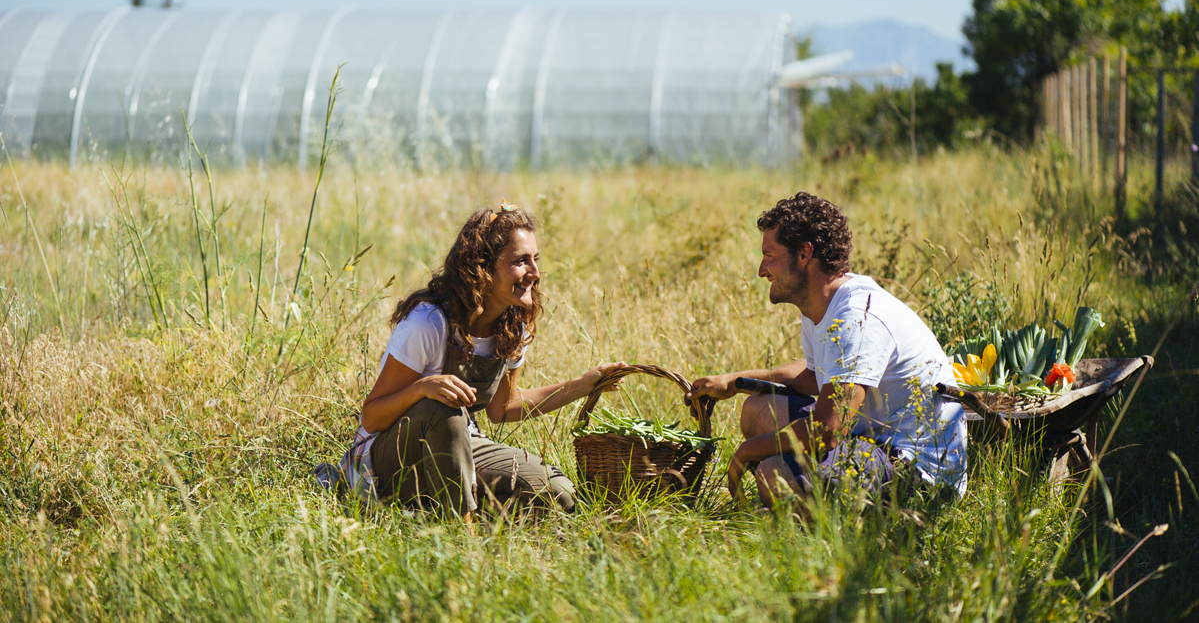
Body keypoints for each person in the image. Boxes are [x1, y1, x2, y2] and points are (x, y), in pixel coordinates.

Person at [332, 202, 625, 517]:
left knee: (559, 494)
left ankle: (434, 514)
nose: (535, 273)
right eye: (520, 261)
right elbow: (372, 418)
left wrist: (583, 385)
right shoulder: (428, 322)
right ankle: (461, 530)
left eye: (535, 259)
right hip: (385, 462)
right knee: (444, 407)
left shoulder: (513, 324)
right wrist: (422, 389)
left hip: (460, 447)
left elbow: (504, 408)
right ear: (483, 266)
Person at [687, 192, 966, 504]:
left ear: (805, 253)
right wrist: (734, 381)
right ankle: (810, 501)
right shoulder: (821, 304)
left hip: (916, 470)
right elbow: (814, 375)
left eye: (769, 256)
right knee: (757, 410)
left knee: (772, 474)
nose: (761, 270)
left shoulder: (857, 317)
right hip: (867, 435)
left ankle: (831, 524)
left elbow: (828, 430)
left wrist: (746, 452)